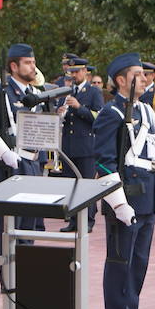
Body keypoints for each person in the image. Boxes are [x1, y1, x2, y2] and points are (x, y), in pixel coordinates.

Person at [93, 52, 155, 309]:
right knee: (121, 263)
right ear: (121, 80)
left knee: (138, 264)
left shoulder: (145, 112)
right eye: (137, 75)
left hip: (146, 197)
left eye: (144, 74)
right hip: (125, 199)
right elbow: (105, 162)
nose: (144, 79)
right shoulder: (112, 113)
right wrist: (119, 204)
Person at [0, 44, 45, 289]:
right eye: (27, 62)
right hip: (8, 167)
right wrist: (4, 153)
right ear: (14, 66)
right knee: (7, 227)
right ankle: (8, 277)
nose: (32, 66)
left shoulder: (37, 93)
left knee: (29, 226)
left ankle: (25, 275)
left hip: (32, 165)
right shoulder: (2, 94)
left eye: (33, 61)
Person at [56, 57, 104, 233]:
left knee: (86, 185)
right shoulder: (69, 91)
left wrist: (78, 107)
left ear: (85, 72)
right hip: (69, 147)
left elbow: (98, 117)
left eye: (77, 71)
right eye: (72, 72)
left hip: (86, 147)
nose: (74, 75)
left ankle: (88, 220)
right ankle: (74, 220)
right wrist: (60, 112)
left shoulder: (93, 92)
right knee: (71, 185)